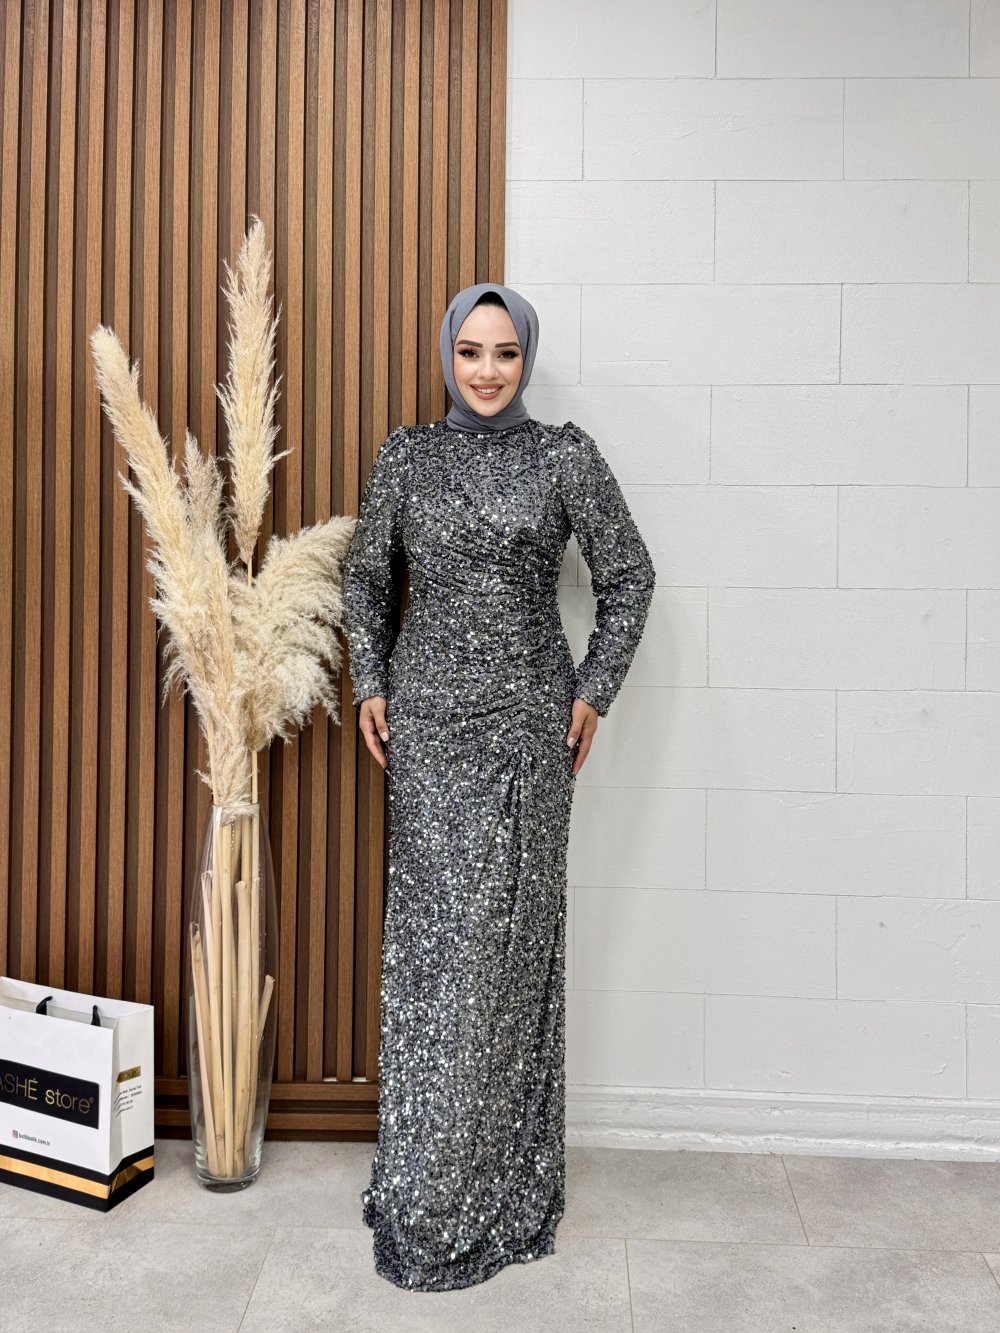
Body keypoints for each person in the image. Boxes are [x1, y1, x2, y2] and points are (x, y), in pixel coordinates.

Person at [342, 280, 655, 1291]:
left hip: (528, 732)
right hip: (428, 734)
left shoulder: (564, 456)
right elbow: (364, 576)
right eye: (471, 351)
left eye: (505, 353)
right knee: (434, 955)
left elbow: (630, 576)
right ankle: (427, 1175)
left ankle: (499, 1185)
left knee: (504, 954)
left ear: (526, 357)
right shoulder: (406, 456)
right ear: (448, 353)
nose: (486, 371)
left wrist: (593, 691)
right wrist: (370, 679)